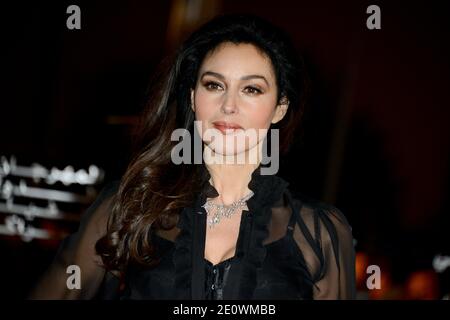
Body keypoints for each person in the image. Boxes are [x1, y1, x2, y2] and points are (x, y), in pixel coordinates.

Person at [29, 13, 356, 300]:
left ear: (279, 108)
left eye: (251, 89)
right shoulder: (127, 209)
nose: (229, 105)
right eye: (214, 85)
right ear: (192, 96)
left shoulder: (318, 234)